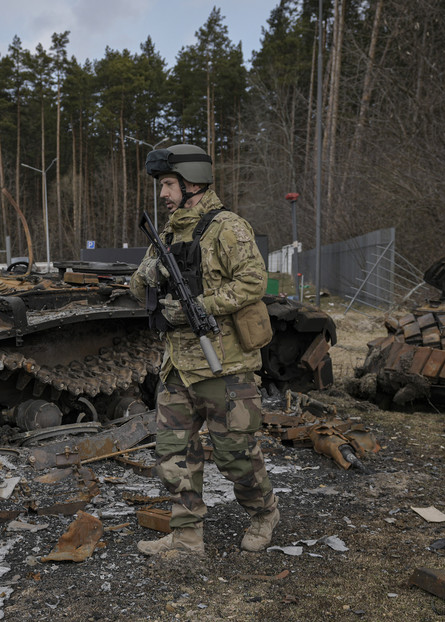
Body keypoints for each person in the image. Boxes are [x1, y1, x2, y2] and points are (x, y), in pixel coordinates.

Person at [130, 144, 279, 556]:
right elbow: (136, 285)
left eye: (168, 185)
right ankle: (186, 537)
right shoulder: (165, 234)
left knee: (236, 456)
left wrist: (200, 307)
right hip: (177, 365)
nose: (162, 194)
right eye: (161, 186)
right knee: (172, 455)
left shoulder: (229, 228)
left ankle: (264, 513)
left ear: (191, 181)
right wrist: (149, 272)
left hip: (225, 364)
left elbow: (254, 282)